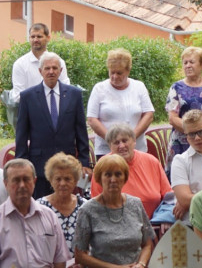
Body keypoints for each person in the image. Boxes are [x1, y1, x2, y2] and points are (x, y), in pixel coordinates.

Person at [15, 51, 91, 198]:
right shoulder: (28, 97)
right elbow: (21, 134)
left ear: (60, 70)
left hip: (67, 164)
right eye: (47, 68)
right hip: (39, 166)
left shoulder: (74, 95)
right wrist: (22, 165)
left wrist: (84, 161)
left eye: (55, 68)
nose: (51, 71)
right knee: (41, 206)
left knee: (66, 205)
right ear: (40, 71)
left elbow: (81, 131)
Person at [74, 155, 153, 268]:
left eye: (118, 174)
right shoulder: (87, 210)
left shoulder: (136, 204)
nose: (113, 180)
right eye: (108, 174)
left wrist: (141, 264)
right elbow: (80, 255)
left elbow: (148, 244)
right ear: (99, 178)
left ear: (125, 178)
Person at [90, 124, 172, 218]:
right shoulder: (103, 166)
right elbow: (96, 205)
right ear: (110, 146)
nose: (121, 146)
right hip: (117, 223)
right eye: (116, 143)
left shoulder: (151, 161)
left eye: (125, 141)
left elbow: (169, 197)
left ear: (134, 141)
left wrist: (165, 218)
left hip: (156, 221)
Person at [87, 48, 155, 160]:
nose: (115, 76)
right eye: (112, 72)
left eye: (119, 73)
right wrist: (113, 140)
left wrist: (131, 139)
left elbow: (148, 115)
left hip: (137, 149)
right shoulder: (99, 89)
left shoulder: (139, 87)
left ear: (128, 71)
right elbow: (92, 119)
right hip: (108, 152)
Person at [0, 158, 70, 268]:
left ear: (34, 181)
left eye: (26, 179)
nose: (22, 185)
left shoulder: (49, 216)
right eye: (16, 180)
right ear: (6, 184)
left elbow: (59, 259)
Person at [165, 47, 202, 170]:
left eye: (192, 62)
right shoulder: (176, 87)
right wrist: (193, 133)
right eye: (185, 63)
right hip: (182, 142)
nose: (188, 66)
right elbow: (172, 118)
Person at [171, 109, 202, 223]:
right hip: (193, 223)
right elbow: (185, 200)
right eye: (191, 134)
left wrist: (194, 199)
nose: (197, 138)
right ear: (186, 136)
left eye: (201, 132)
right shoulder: (180, 161)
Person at [36, 154, 85, 256]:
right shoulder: (39, 208)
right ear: (50, 180)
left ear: (76, 181)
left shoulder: (84, 207)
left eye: (67, 179)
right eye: (58, 179)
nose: (62, 183)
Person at [10, 23, 70, 104]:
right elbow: (18, 96)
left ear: (48, 38)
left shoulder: (59, 62)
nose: (35, 40)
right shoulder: (20, 64)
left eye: (39, 36)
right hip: (30, 110)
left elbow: (66, 91)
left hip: (55, 108)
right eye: (32, 37)